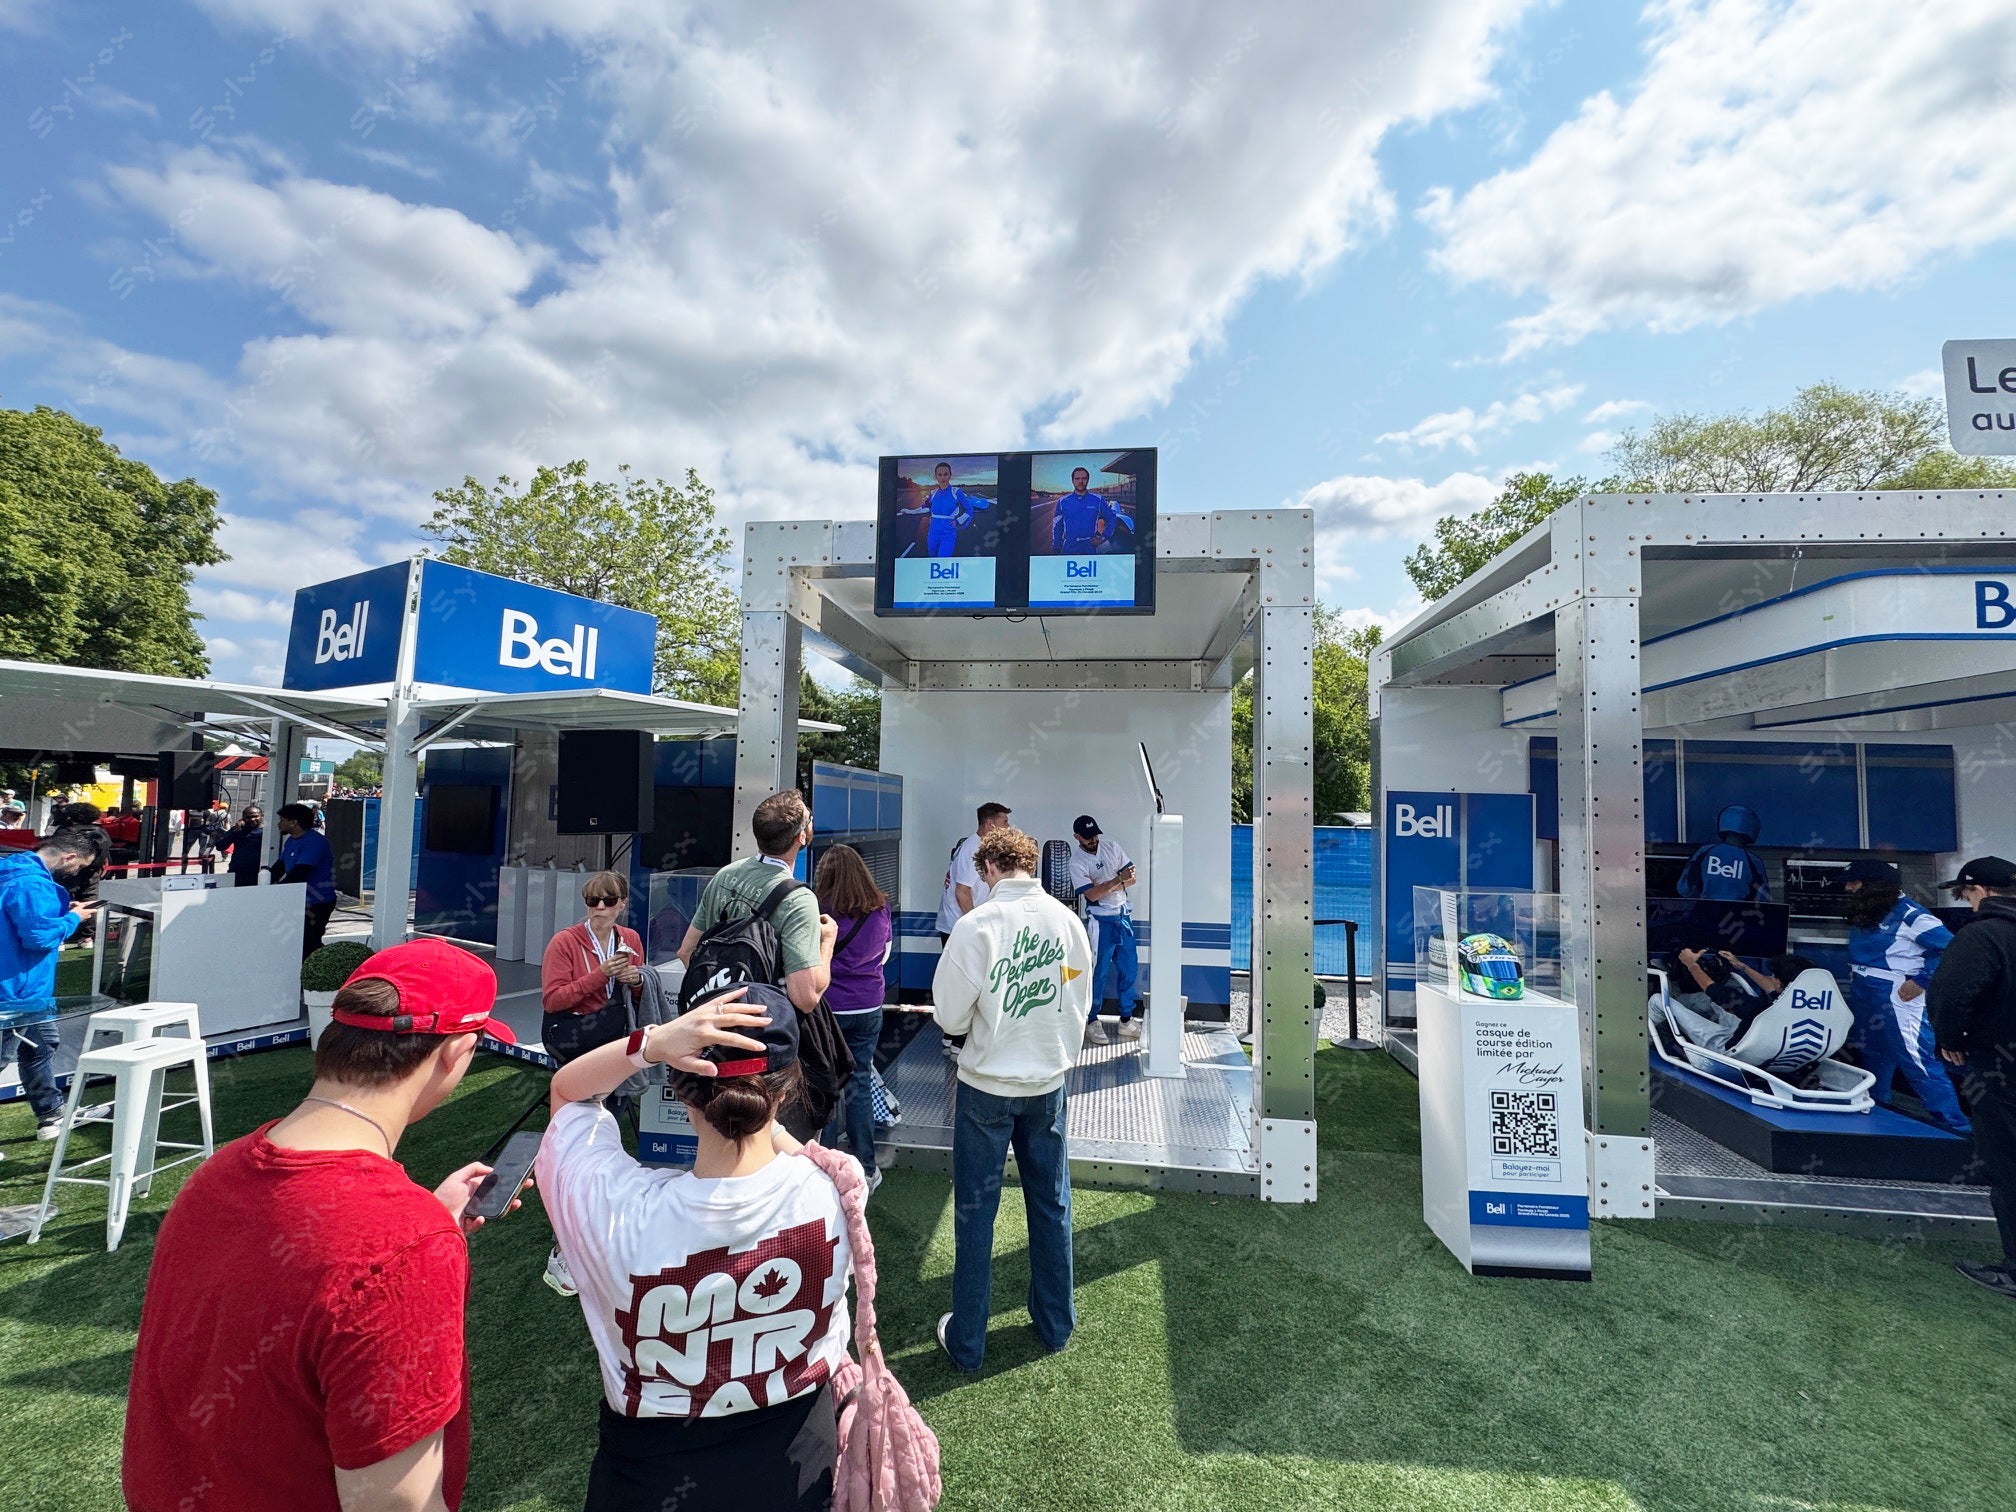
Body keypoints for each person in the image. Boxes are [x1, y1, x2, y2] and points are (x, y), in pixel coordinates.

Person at [122, 939, 524, 1512]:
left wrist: (428, 1224)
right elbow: (395, 1505)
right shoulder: (407, 1244)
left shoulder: (216, 1174)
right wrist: (419, 1239)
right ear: (457, 1050)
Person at [536, 983, 852, 1510]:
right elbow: (798, 1154)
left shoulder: (613, 1208)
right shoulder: (837, 1192)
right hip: (800, 1472)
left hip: (646, 1481)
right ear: (787, 1089)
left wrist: (651, 1043)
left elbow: (569, 1092)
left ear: (680, 1091)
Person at [931, 824, 1091, 1372]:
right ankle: (1055, 1325)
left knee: (976, 1213)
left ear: (989, 868)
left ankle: (968, 1343)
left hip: (986, 1088)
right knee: (1052, 1203)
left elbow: (950, 1016)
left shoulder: (976, 926)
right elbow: (1079, 999)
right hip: (1048, 1085)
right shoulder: (1068, 922)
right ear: (1031, 864)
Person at [677, 789, 839, 1136]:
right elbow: (805, 997)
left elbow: (687, 952)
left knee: (721, 1136)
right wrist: (828, 942)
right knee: (771, 1141)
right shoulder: (798, 900)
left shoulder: (726, 875)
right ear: (802, 837)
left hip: (718, 1038)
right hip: (767, 1047)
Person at [1929, 856, 2016, 1299]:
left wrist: (1951, 1038)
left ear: (1980, 891)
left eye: (1965, 895)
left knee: (2007, 1163)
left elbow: (1950, 994)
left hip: (1999, 1068)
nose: (1966, 902)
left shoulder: (1982, 935)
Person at [1843, 859, 1969, 1132]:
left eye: (1853, 882)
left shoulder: (1912, 915)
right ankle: (1877, 1111)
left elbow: (1954, 950)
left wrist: (1922, 980)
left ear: (1872, 885)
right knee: (1874, 1054)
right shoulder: (1870, 911)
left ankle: (1956, 1126)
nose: (1848, 888)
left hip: (1898, 994)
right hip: (1865, 990)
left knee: (1917, 1059)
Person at [0, 831, 97, 1146]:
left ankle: (52, 1113)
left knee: (41, 1047)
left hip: (24, 987)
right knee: (12, 1053)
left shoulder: (17, 873)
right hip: (17, 989)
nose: (77, 872)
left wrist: (62, 913)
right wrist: (73, 919)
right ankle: (51, 1113)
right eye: (79, 866)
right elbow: (38, 937)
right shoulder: (32, 883)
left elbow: (25, 923)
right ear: (69, 857)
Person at [814, 842, 893, 1188]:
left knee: (829, 1084)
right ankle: (867, 1167)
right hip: (869, 1005)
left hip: (830, 1008)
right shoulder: (880, 906)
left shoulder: (818, 909)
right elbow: (884, 954)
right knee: (859, 1081)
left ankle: (828, 1170)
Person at [937, 801, 1012, 1058]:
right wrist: (977, 925)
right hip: (960, 926)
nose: (1008, 827)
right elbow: (962, 892)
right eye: (1004, 822)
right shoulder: (973, 850)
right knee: (967, 984)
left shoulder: (977, 847)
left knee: (960, 982)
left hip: (958, 924)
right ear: (990, 824)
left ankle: (951, 1036)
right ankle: (960, 1041)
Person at [1652, 950, 1821, 1054]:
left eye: (1773, 977)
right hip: (1758, 1045)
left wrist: (1691, 964)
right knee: (1713, 1002)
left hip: (1728, 1050)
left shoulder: (1757, 1008)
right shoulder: (1802, 1003)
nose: (1770, 979)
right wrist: (1741, 966)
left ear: (1779, 983)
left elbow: (1713, 989)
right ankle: (1677, 1003)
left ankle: (1649, 1042)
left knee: (1657, 1000)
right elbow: (1771, 987)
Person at [1070, 813, 1141, 1046]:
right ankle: (1092, 1019)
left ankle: (1126, 1019)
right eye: (1087, 837)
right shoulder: (1076, 862)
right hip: (1100, 922)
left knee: (1129, 968)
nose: (1093, 840)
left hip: (1123, 916)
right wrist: (1117, 880)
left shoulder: (1112, 847)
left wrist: (1108, 885)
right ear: (1077, 837)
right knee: (1098, 972)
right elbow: (1091, 895)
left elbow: (1132, 878)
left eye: (1095, 835)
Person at [273, 800, 337, 956]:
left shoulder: (314, 842)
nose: (279, 824)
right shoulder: (291, 841)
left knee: (310, 942)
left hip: (317, 902)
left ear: (294, 822)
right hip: (299, 900)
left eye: (282, 820)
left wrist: (276, 891)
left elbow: (300, 872)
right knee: (295, 942)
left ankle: (323, 967)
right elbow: (280, 866)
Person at [896, 460, 995, 559]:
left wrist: (958, 521)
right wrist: (909, 511)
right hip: (933, 533)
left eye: (945, 474)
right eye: (940, 475)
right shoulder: (933, 493)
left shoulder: (956, 492)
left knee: (943, 560)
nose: (943, 477)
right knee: (932, 559)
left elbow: (969, 510)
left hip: (948, 533)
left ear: (950, 475)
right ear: (936, 476)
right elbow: (924, 508)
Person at [1675, 804, 1770, 902]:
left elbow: (1684, 889)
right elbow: (1763, 900)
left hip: (1704, 910)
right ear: (1751, 830)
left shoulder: (1704, 851)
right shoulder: (1753, 861)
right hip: (1737, 911)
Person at [1050, 466, 1134, 554]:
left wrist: (1104, 537)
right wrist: (1056, 546)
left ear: (1088, 480)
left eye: (1084, 478)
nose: (1080, 481)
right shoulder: (1063, 501)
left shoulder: (1098, 500)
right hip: (1069, 547)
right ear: (1072, 480)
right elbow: (1057, 525)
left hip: (1090, 547)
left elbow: (1112, 518)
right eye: (1077, 478)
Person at [218, 803, 265, 888]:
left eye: (255, 816)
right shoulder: (237, 830)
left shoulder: (266, 832)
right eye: (248, 817)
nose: (252, 819)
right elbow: (220, 846)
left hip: (258, 873)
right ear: (243, 818)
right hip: (237, 873)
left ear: (262, 816)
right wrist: (234, 831)